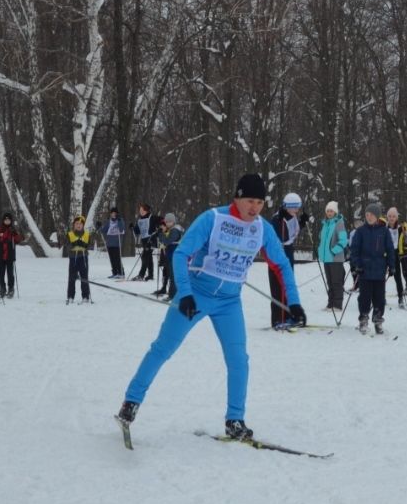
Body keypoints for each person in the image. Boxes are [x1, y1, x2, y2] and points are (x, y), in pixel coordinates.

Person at [115, 173, 306, 441]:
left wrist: (294, 303)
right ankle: (130, 403)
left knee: (239, 359)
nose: (255, 208)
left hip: (229, 302)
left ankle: (235, 420)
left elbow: (282, 265)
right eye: (250, 201)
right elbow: (180, 254)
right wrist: (186, 293)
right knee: (163, 348)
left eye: (260, 203)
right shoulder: (213, 219)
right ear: (237, 198)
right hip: (196, 294)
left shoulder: (262, 228)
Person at [350, 202, 396, 334]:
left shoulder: (384, 231)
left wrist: (391, 265)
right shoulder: (360, 231)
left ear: (377, 216)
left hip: (379, 270)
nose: (369, 217)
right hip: (364, 270)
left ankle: (378, 319)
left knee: (379, 298)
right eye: (367, 215)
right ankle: (363, 319)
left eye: (371, 215)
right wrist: (357, 265)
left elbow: (390, 250)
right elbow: (354, 250)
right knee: (364, 297)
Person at [269, 192, 309, 327]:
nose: (296, 210)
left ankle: (288, 315)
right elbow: (283, 237)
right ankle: (277, 318)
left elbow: (292, 234)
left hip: (288, 252)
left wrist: (302, 223)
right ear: (287, 207)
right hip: (277, 253)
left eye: (298, 207)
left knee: (288, 284)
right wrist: (282, 221)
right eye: (294, 207)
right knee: (278, 286)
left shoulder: (292, 217)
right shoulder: (277, 219)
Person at [318, 202, 349, 311]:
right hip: (327, 259)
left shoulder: (339, 223)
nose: (329, 213)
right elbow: (323, 240)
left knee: (336, 282)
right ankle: (330, 304)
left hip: (335, 258)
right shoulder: (325, 224)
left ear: (335, 212)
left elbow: (344, 240)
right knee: (330, 282)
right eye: (328, 211)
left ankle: (337, 305)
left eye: (331, 211)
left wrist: (333, 251)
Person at [384, 207, 407, 308]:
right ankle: (381, 297)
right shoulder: (384, 228)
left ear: (397, 217)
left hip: (396, 255)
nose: (391, 218)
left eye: (393, 216)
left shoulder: (401, 228)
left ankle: (400, 298)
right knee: (381, 277)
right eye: (389, 216)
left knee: (398, 277)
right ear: (387, 217)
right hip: (385, 255)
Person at [0, 212, 23, 299]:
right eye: (5, 220)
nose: (7, 221)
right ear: (3, 220)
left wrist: (15, 234)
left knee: (10, 273)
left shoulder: (13, 230)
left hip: (10, 255)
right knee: (1, 273)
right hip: (1, 255)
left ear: (11, 221)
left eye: (8, 220)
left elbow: (18, 240)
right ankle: (2, 288)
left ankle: (11, 289)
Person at [154, 214, 184, 298]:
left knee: (173, 276)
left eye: (169, 222)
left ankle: (172, 295)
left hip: (175, 255)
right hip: (171, 255)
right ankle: (172, 293)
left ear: (173, 222)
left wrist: (161, 234)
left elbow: (167, 241)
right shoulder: (172, 229)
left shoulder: (175, 230)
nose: (167, 223)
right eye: (166, 222)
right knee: (171, 275)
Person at [66, 215, 92, 304]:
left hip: (83, 258)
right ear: (74, 225)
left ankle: (85, 296)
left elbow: (89, 245)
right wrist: (74, 244)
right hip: (73, 258)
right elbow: (67, 247)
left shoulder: (87, 234)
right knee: (72, 278)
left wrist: (84, 245)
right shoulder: (70, 234)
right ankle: (70, 296)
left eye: (80, 224)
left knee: (84, 277)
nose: (78, 225)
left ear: (83, 225)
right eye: (76, 223)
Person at [131, 203, 158, 281]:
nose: (140, 212)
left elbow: (157, 226)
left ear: (146, 210)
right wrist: (133, 227)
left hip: (151, 241)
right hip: (144, 241)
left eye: (142, 210)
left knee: (145, 256)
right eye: (140, 210)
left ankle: (141, 275)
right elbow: (137, 231)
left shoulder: (151, 217)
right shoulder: (140, 219)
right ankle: (150, 275)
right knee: (148, 257)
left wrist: (156, 233)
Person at [98, 207, 126, 279]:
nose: (113, 215)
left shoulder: (120, 220)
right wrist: (99, 227)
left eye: (115, 213)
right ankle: (115, 272)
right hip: (110, 243)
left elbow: (122, 228)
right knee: (112, 259)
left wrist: (119, 220)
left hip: (117, 242)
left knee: (117, 258)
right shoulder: (108, 221)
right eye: (112, 213)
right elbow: (104, 230)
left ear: (117, 214)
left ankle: (121, 273)